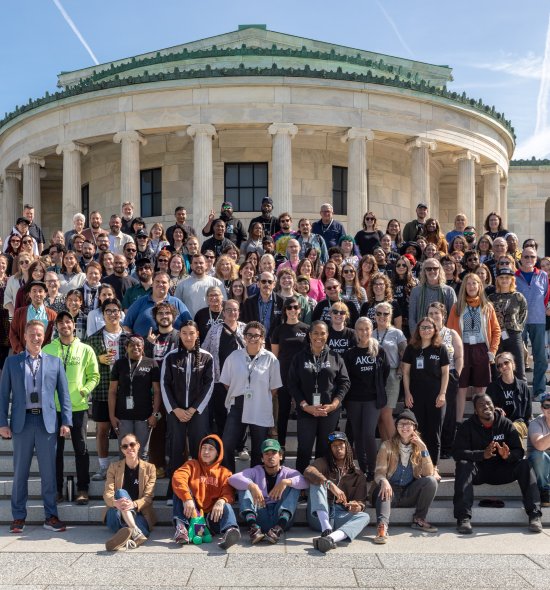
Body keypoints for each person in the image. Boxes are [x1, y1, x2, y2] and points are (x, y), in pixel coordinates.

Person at [0, 320, 72, 533]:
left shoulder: (55, 362)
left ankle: (50, 516)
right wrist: (2, 422)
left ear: (44, 337)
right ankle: (18, 517)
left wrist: (66, 421)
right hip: (22, 424)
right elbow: (3, 395)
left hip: (46, 423)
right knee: (20, 472)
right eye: (32, 334)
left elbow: (64, 394)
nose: (36, 338)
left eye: (39, 334)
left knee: (48, 473)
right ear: (24, 336)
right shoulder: (12, 363)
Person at [453, 394, 542, 534]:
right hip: (479, 471)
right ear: (476, 411)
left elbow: (519, 451)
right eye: (481, 405)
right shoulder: (467, 426)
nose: (486, 407)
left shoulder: (505, 423)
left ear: (494, 405)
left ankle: (534, 515)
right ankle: (463, 518)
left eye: (488, 403)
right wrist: (482, 454)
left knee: (524, 464)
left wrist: (508, 456)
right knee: (463, 464)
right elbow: (457, 453)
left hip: (502, 470)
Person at [43, 311, 100, 505]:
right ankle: (57, 489)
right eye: (61, 323)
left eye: (68, 322)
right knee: (55, 451)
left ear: (74, 325)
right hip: (55, 408)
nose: (65, 325)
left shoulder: (85, 349)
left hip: (78, 407)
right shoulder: (48, 349)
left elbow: (94, 376)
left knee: (81, 449)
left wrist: (84, 391)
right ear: (56, 327)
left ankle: (82, 489)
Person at [289, 320, 350, 473]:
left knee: (324, 449)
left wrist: (334, 405)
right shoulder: (299, 357)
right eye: (315, 333)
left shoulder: (336, 357)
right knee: (304, 449)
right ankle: (301, 485)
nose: (319, 336)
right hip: (306, 411)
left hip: (329, 412)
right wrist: (305, 406)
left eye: (323, 333)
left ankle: (322, 484)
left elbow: (344, 383)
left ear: (327, 335)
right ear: (309, 335)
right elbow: (292, 384)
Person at [220, 322, 282, 472]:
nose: (252, 338)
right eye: (249, 335)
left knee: (258, 447)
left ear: (262, 338)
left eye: (256, 335)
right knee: (227, 444)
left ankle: (255, 483)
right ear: (244, 337)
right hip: (238, 405)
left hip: (260, 405)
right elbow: (226, 382)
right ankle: (229, 481)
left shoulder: (271, 359)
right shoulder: (234, 356)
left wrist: (259, 396)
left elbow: (274, 388)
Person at [372, 410, 439, 544]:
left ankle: (419, 519)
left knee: (431, 481)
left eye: (408, 424)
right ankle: (382, 527)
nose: (404, 427)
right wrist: (384, 480)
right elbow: (379, 473)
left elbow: (428, 473)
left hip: (408, 493)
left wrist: (424, 448)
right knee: (384, 487)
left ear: (414, 427)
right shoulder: (387, 445)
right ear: (396, 427)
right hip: (388, 494)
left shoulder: (419, 448)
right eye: (401, 424)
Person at [161, 320, 213, 481]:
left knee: (199, 447)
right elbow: (164, 384)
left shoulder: (207, 357)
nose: (188, 337)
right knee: (176, 448)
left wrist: (194, 409)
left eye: (192, 333)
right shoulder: (171, 357)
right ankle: (174, 488)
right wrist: (175, 409)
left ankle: (199, 484)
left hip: (198, 412)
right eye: (184, 333)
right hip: (176, 411)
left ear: (197, 334)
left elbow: (209, 385)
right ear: (179, 334)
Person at [229, 438, 308, 544]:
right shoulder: (256, 471)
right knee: (245, 485)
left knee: (293, 485)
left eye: (274, 453)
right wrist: (252, 486)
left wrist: (285, 482)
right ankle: (253, 528)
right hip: (260, 515)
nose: (270, 456)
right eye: (266, 453)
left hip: (282, 518)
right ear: (262, 458)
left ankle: (278, 529)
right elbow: (232, 479)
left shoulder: (288, 472)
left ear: (280, 456)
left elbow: (305, 482)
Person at [85, 298, 130, 480]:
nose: (112, 314)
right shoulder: (93, 338)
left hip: (125, 390)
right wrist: (98, 359)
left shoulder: (128, 338)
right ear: (102, 315)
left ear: (120, 313)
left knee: (125, 430)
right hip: (102, 389)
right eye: (108, 311)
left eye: (115, 310)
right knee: (102, 429)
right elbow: (86, 365)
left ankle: (127, 466)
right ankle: (103, 467)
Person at [447, 273, 501, 423]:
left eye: (474, 283)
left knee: (480, 389)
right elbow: (450, 331)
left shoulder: (487, 306)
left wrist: (492, 351)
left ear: (479, 286)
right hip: (462, 349)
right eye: (468, 284)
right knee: (461, 388)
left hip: (481, 349)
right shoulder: (457, 307)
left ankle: (480, 421)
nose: (471, 287)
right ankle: (458, 422)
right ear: (464, 286)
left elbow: (496, 331)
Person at [304, 431, 369, 552]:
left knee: (365, 516)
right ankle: (325, 528)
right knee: (317, 482)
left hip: (340, 514)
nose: (338, 448)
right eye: (334, 446)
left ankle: (330, 538)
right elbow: (308, 471)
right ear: (330, 448)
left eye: (341, 445)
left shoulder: (358, 474)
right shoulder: (323, 462)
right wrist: (330, 484)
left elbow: (361, 502)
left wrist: (357, 507)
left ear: (347, 447)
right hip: (319, 514)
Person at [172, 434, 240, 548]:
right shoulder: (192, 465)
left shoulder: (225, 473)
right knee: (179, 490)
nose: (206, 452)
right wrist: (187, 498)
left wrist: (222, 500)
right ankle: (181, 529)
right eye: (204, 448)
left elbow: (229, 493)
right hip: (192, 515)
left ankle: (230, 531)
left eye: (211, 449)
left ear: (218, 453)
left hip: (212, 518)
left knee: (226, 505)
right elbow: (178, 477)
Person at [343, 317, 389, 480]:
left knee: (369, 433)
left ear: (371, 330)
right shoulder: (350, 353)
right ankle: (364, 469)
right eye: (360, 329)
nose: (363, 332)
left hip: (372, 399)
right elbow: (345, 377)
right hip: (353, 399)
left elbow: (385, 372)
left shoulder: (379, 350)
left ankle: (373, 467)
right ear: (356, 332)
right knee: (357, 434)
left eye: (366, 329)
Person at [402, 317, 449, 467]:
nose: (426, 330)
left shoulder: (441, 348)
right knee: (417, 433)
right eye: (423, 327)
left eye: (429, 327)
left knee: (434, 433)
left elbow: (445, 373)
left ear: (435, 330)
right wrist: (407, 393)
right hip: (415, 397)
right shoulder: (411, 349)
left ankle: (433, 467)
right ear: (418, 330)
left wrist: (442, 394)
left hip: (436, 397)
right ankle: (417, 466)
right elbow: (406, 373)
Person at [108, 335, 161, 458]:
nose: (135, 347)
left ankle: (142, 477)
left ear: (143, 347)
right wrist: (112, 416)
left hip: (145, 416)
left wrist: (155, 415)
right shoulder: (119, 364)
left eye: (138, 345)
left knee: (142, 453)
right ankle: (126, 477)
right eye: (131, 345)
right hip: (123, 416)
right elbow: (112, 391)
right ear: (126, 347)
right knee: (125, 452)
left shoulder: (151, 363)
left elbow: (157, 391)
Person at [103, 432, 157, 551]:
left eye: (132, 444)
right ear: (122, 450)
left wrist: (133, 504)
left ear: (138, 446)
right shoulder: (113, 467)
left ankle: (126, 535)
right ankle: (135, 531)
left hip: (139, 513)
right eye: (125, 446)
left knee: (140, 524)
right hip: (116, 514)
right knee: (121, 493)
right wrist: (115, 503)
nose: (129, 448)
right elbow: (108, 493)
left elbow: (148, 497)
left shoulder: (150, 468)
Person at [203, 300, 246, 438]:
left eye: (235, 309)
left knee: (241, 412)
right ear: (223, 312)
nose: (232, 312)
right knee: (220, 412)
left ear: (239, 312)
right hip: (219, 378)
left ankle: (240, 446)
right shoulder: (215, 329)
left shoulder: (245, 329)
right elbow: (204, 350)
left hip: (241, 380)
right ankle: (223, 442)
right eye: (229, 309)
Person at [427, 302, 464, 459]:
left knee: (447, 413)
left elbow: (459, 356)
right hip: (429, 379)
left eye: (437, 313)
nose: (434, 316)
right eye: (431, 313)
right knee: (431, 413)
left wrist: (456, 374)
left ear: (443, 315)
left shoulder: (451, 333)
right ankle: (431, 445)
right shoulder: (425, 333)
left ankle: (447, 447)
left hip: (449, 377)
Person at [271, 297, 309, 448]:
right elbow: (274, 357)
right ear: (285, 310)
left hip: (303, 376)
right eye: (289, 307)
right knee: (283, 413)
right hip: (284, 376)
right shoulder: (279, 330)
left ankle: (303, 445)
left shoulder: (306, 329)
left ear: (300, 310)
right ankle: (281, 446)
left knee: (303, 412)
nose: (292, 310)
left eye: (295, 307)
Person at [515, 247, 549, 401]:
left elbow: (546, 297)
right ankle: (518, 389)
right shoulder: (514, 276)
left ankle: (539, 390)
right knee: (517, 355)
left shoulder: (543, 275)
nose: (529, 260)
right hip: (518, 321)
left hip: (538, 320)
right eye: (526, 257)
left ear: (536, 259)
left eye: (532, 257)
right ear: (521, 258)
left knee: (540, 356)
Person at [373, 301, 408, 440]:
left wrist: (400, 371)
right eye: (379, 313)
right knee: (380, 417)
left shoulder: (397, 333)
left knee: (386, 413)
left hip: (392, 375)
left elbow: (405, 354)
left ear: (390, 315)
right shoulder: (370, 332)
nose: (382, 316)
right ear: (374, 315)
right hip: (375, 376)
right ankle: (386, 448)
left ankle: (397, 447)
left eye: (385, 313)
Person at [488, 267, 528, 381]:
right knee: (497, 368)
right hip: (496, 335)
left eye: (507, 278)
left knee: (518, 368)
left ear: (512, 280)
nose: (504, 280)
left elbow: (523, 313)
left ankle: (521, 396)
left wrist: (517, 328)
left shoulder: (518, 297)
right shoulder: (491, 298)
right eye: (501, 278)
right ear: (497, 280)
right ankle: (498, 396)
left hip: (514, 335)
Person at [123, 271, 192, 337]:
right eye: (157, 281)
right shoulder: (140, 302)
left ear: (169, 285)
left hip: (173, 347)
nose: (160, 284)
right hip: (144, 347)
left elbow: (190, 325)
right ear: (152, 284)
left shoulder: (177, 303)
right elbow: (126, 326)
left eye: (164, 282)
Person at [487, 352, 531, 438]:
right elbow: (487, 408)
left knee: (512, 428)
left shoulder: (523, 386)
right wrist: (495, 409)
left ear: (513, 363)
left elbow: (528, 411)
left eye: (506, 362)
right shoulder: (492, 387)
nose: (503, 366)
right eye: (499, 365)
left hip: (519, 424)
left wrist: (526, 425)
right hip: (500, 422)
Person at [408, 258, 457, 334]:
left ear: (440, 270)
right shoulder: (416, 291)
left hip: (443, 335)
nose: (432, 271)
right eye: (428, 269)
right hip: (421, 335)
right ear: (424, 271)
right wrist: (417, 336)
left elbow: (453, 317)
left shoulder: (449, 291)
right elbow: (412, 318)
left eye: (435, 268)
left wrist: (446, 335)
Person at [9, 281, 57, 354]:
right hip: (22, 356)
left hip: (44, 357)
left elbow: (54, 337)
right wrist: (21, 351)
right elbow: (13, 334)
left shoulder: (53, 315)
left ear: (45, 294)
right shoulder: (19, 312)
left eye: (40, 291)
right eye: (34, 291)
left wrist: (44, 352)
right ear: (30, 294)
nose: (37, 294)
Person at [241, 271, 284, 348]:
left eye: (269, 282)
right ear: (258, 284)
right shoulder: (249, 302)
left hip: (274, 345)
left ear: (274, 285)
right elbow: (244, 323)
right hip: (253, 343)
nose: (266, 284)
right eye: (263, 281)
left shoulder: (282, 302)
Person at [527, 393, 550, 507]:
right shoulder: (535, 423)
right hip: (540, 466)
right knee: (538, 455)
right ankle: (544, 490)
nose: (549, 409)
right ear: (541, 408)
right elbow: (539, 446)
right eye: (547, 406)